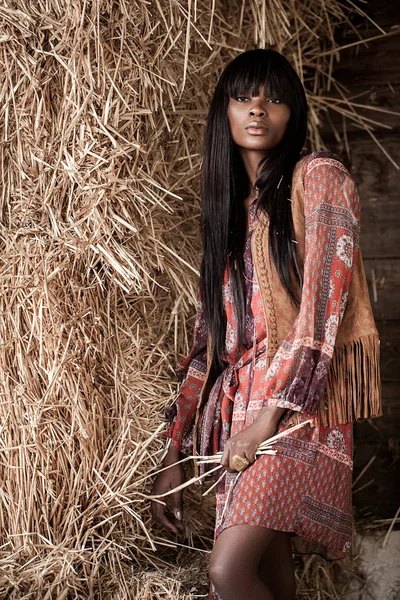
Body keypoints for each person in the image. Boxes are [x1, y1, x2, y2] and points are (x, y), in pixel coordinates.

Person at [150, 49, 382, 600]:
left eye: (275, 98)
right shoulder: (229, 215)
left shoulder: (319, 178)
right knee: (273, 579)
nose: (258, 109)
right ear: (223, 113)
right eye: (243, 97)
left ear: (293, 113)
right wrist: (173, 453)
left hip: (300, 409)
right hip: (243, 414)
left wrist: (268, 420)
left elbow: (324, 306)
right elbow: (208, 350)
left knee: (227, 574)